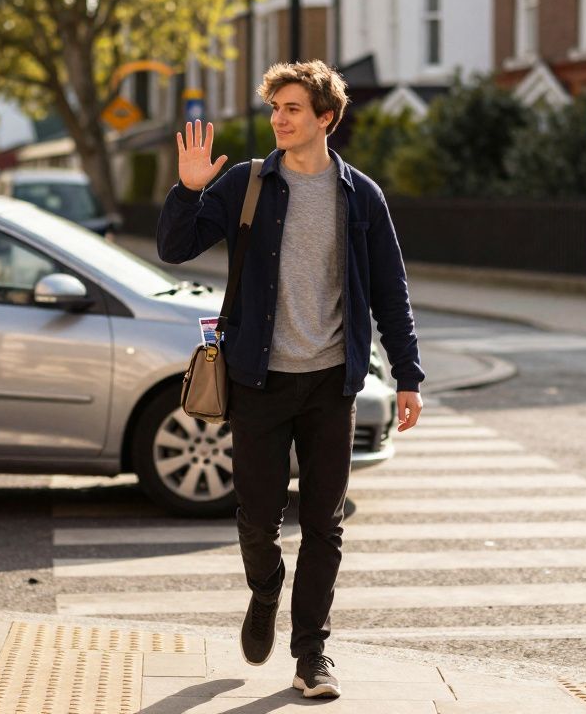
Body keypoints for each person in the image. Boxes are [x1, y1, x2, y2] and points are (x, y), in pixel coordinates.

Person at [157, 59, 424, 700]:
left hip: (332, 382)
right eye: (275, 108)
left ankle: (312, 656)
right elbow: (174, 248)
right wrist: (190, 190)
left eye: (293, 108)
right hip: (259, 381)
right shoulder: (247, 185)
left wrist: (408, 373)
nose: (279, 118)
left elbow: (391, 291)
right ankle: (265, 589)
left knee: (326, 524)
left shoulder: (361, 195)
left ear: (326, 118)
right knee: (256, 517)